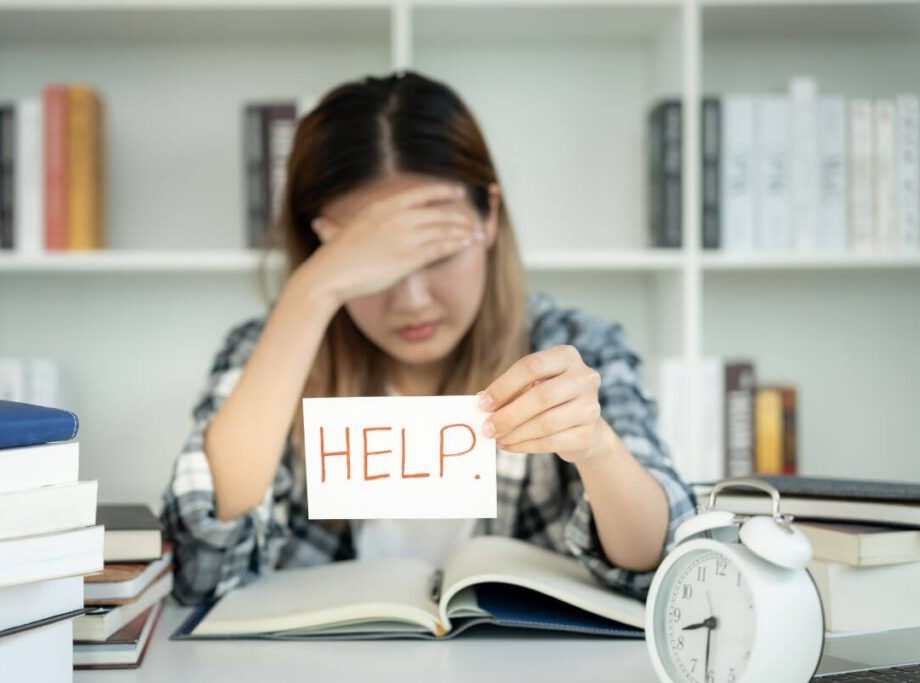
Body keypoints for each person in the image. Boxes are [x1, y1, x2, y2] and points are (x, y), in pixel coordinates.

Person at [161, 70, 696, 606]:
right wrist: (314, 290)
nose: (412, 300)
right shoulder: (268, 350)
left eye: (438, 255)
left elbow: (664, 565)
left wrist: (596, 446)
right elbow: (202, 566)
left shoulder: (575, 345)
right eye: (372, 266)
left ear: (488, 215)